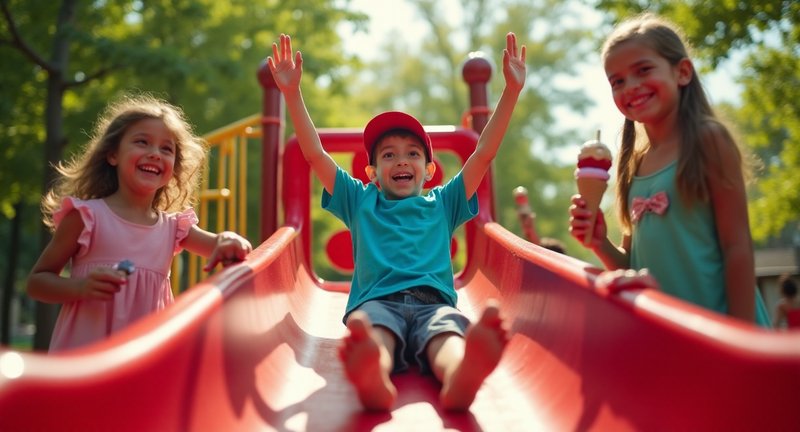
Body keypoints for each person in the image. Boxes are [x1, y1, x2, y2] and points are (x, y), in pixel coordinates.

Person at [267, 32, 526, 411]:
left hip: (434, 304)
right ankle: (375, 376)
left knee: (448, 336)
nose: (401, 161)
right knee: (374, 335)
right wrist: (292, 94)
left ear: (429, 169)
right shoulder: (359, 200)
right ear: (372, 172)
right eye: (388, 155)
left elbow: (483, 154)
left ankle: (461, 376)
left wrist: (511, 92)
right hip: (377, 303)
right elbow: (315, 155)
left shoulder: (444, 202)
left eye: (412, 154)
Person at [568, 13, 770, 326]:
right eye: (617, 81)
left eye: (643, 70)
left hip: (723, 332)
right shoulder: (633, 165)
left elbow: (737, 247)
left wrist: (741, 340)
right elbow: (633, 267)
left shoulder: (708, 140)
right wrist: (599, 243)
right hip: (671, 340)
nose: (631, 86)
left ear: (683, 72)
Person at [27, 94, 253, 352]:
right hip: (87, 354)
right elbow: (37, 282)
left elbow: (220, 245)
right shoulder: (87, 217)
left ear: (173, 169)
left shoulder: (173, 228)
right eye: (142, 142)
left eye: (166, 149)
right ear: (113, 155)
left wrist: (228, 239)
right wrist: (80, 287)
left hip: (146, 355)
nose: (155, 154)